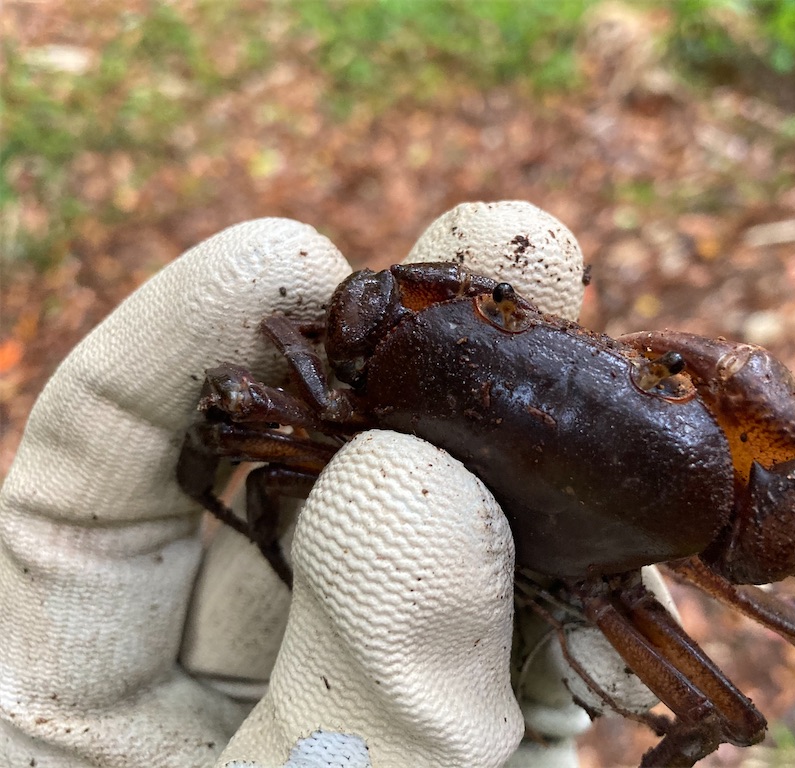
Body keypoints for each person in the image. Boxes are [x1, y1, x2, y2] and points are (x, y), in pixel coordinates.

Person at [0, 204, 663, 768]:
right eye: (493, 309)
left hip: (543, 542)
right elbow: (251, 386)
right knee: (234, 401)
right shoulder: (399, 337)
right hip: (390, 490)